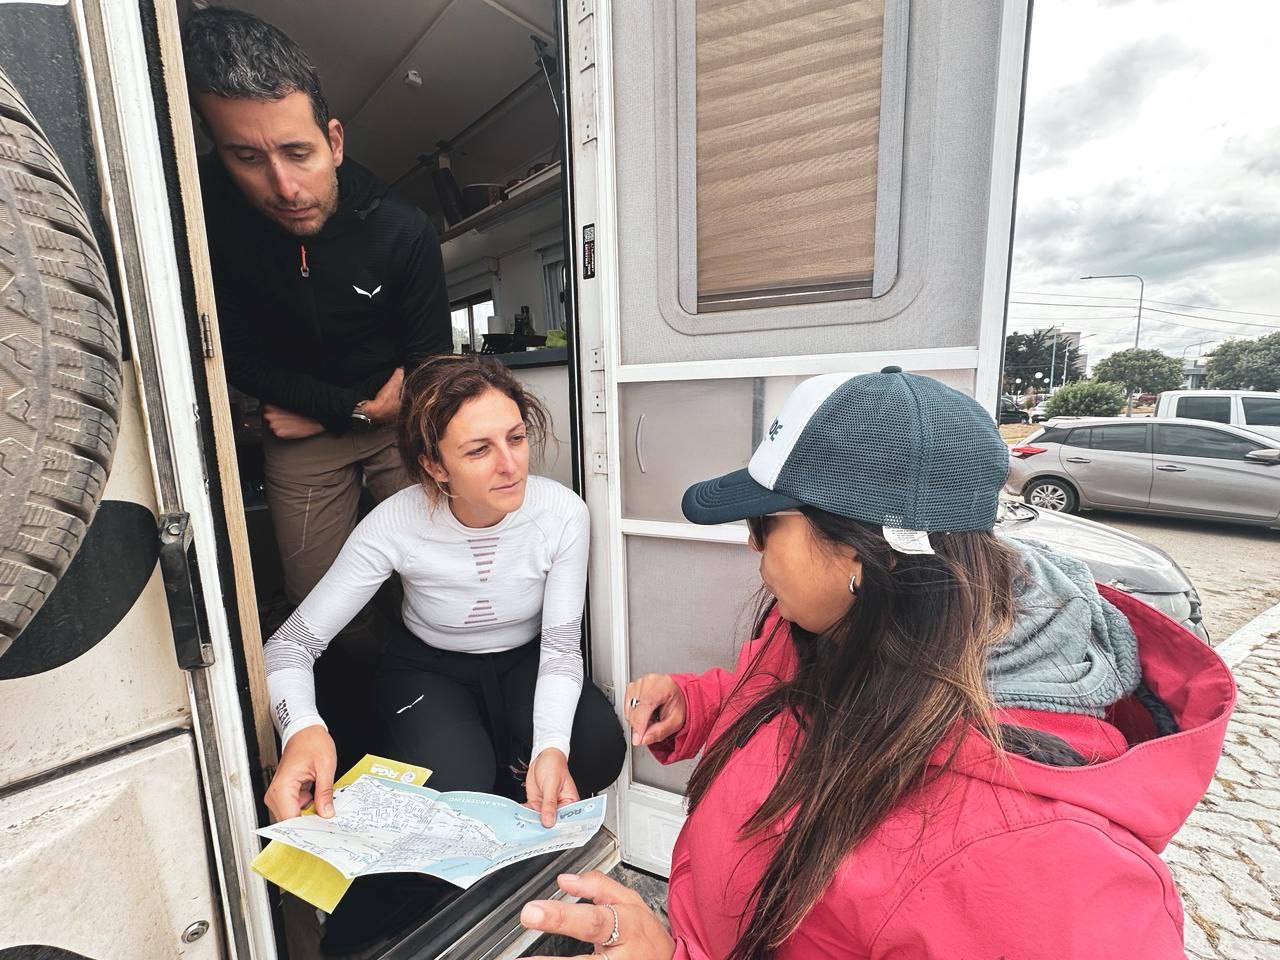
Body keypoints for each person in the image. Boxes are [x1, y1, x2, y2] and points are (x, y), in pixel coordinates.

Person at [518, 367, 1234, 959]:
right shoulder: (839, 626)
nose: (752, 545)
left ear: (861, 552)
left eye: (766, 523)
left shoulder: (1041, 870)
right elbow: (784, 704)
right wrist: (700, 702)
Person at [182, 8, 452, 667]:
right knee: (320, 603)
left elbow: (429, 362)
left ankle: (428, 680)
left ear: (333, 141)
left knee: (439, 569)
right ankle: (364, 686)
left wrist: (374, 413)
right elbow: (235, 355)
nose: (283, 187)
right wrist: (347, 410)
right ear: (217, 153)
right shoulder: (203, 215)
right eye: (247, 158)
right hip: (304, 430)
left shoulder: (402, 228)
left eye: (297, 153)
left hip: (397, 422)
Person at [262, 355, 626, 826]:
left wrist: (551, 746)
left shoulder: (561, 513)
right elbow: (290, 644)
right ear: (434, 465)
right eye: (478, 451)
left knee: (595, 748)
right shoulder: (395, 523)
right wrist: (301, 728)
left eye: (516, 438)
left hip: (526, 658)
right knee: (454, 794)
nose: (510, 465)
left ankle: (524, 775)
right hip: (428, 666)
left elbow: (559, 647)